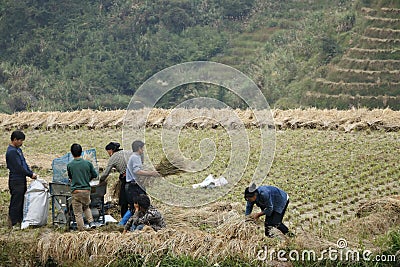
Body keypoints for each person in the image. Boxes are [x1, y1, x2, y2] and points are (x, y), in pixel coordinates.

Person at [6, 130, 38, 229]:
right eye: (20, 140)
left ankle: (19, 220)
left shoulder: (18, 150)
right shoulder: (11, 152)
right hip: (16, 180)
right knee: (16, 201)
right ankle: (13, 222)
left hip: (21, 179)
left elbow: (23, 163)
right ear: (14, 140)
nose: (21, 143)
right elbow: (18, 167)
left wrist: (30, 171)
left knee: (21, 200)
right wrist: (30, 174)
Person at [67, 143, 98, 231]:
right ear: (81, 152)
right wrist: (88, 179)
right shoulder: (88, 163)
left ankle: (81, 230)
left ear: (72, 153)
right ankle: (91, 222)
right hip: (86, 191)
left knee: (78, 213)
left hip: (76, 191)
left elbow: (70, 177)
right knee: (86, 207)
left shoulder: (70, 165)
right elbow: (95, 175)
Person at [99, 142, 132, 218]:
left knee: (123, 201)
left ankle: (125, 219)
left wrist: (100, 181)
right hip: (136, 177)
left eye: (108, 152)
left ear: (110, 150)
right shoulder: (127, 152)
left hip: (127, 179)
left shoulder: (113, 157)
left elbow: (105, 173)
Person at [125, 140, 159, 211]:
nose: (143, 150)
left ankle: (126, 221)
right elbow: (137, 171)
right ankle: (124, 222)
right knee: (136, 207)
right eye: (142, 148)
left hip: (135, 185)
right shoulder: (135, 157)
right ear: (139, 148)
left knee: (135, 207)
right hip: (134, 187)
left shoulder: (136, 156)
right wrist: (151, 173)